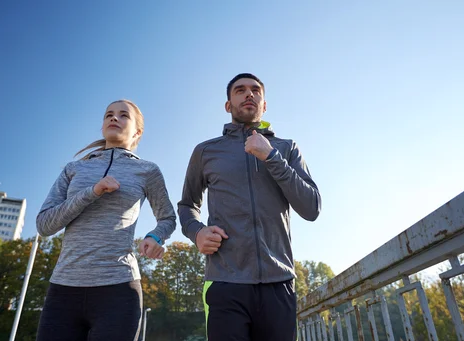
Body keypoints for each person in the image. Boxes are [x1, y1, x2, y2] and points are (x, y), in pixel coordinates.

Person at [178, 73, 321, 340]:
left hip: (279, 284)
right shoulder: (206, 151)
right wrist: (196, 232)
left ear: (264, 105)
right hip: (225, 282)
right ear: (228, 105)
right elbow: (187, 204)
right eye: (240, 90)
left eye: (256, 90)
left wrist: (271, 156)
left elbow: (311, 208)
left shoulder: (286, 148)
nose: (249, 94)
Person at [35, 99, 176, 341]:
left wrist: (155, 236)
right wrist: (92, 192)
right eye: (109, 114)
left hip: (119, 289)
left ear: (137, 132)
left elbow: (168, 218)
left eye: (124, 115)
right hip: (64, 289)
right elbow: (45, 225)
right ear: (102, 127)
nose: (114, 118)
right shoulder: (74, 169)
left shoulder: (148, 170)